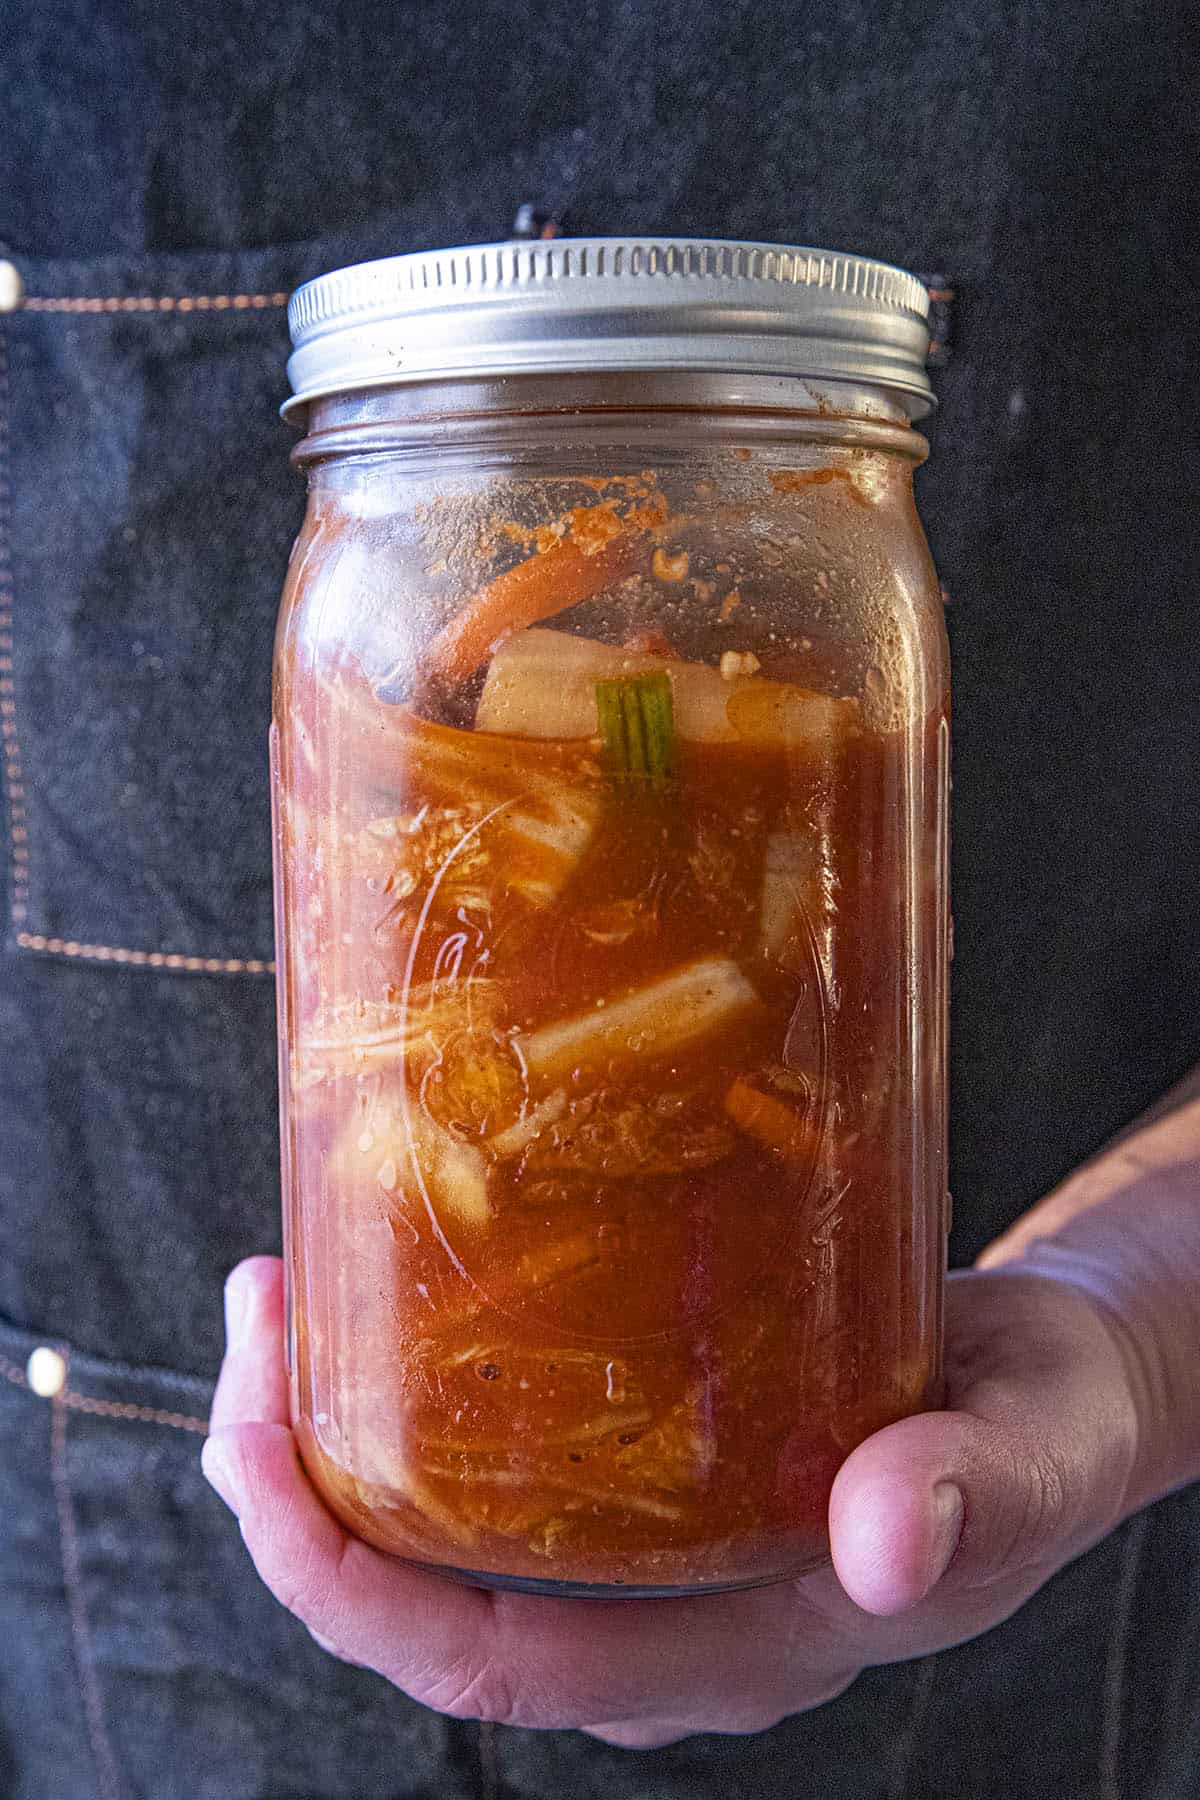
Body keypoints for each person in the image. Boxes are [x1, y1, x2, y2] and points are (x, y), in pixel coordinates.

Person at [1, 2, 1196, 1796]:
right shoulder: (358, 563)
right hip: (137, 1560)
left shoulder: (843, 557)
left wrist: (1145, 1320)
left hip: (993, 1595)